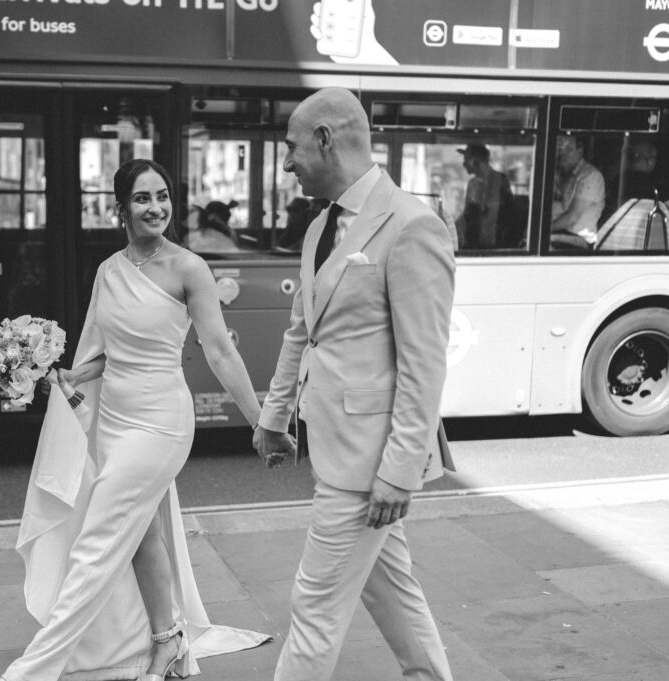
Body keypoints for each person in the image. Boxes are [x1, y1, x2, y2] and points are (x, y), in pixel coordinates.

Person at [0, 159, 269, 681]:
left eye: (162, 196)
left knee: (95, 546)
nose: (156, 207)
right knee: (142, 536)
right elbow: (107, 353)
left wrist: (260, 421)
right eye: (143, 198)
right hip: (115, 422)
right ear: (121, 209)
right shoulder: (108, 270)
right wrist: (69, 374)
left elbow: (219, 351)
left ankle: (33, 670)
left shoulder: (189, 268)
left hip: (160, 424)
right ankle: (168, 645)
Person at [253, 88, 455, 681]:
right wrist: (274, 416)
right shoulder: (320, 226)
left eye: (291, 148)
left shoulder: (413, 225)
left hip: (370, 465)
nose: (286, 163)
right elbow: (302, 331)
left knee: (314, 605)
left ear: (324, 140)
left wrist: (400, 470)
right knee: (392, 591)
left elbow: (424, 363)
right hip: (335, 446)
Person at [550, 135, 605, 249]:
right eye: (560, 149)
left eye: (568, 149)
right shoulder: (559, 173)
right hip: (557, 232)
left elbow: (572, 217)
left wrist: (542, 229)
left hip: (578, 240)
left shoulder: (590, 175)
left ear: (580, 152)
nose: (563, 153)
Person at [457, 144, 512, 248]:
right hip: (473, 243)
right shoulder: (472, 183)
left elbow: (499, 214)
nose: (464, 163)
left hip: (493, 244)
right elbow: (467, 214)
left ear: (476, 160)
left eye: (467, 159)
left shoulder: (499, 180)